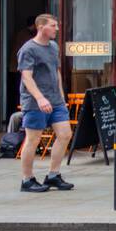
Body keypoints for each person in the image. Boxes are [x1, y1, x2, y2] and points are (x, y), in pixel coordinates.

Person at [17, 13, 74, 193]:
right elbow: (26, 77)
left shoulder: (53, 46)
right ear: (41, 27)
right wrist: (40, 98)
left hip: (55, 100)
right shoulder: (28, 49)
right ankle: (27, 180)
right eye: (53, 25)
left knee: (65, 134)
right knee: (33, 139)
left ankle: (53, 175)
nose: (57, 29)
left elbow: (56, 72)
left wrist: (62, 96)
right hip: (34, 102)